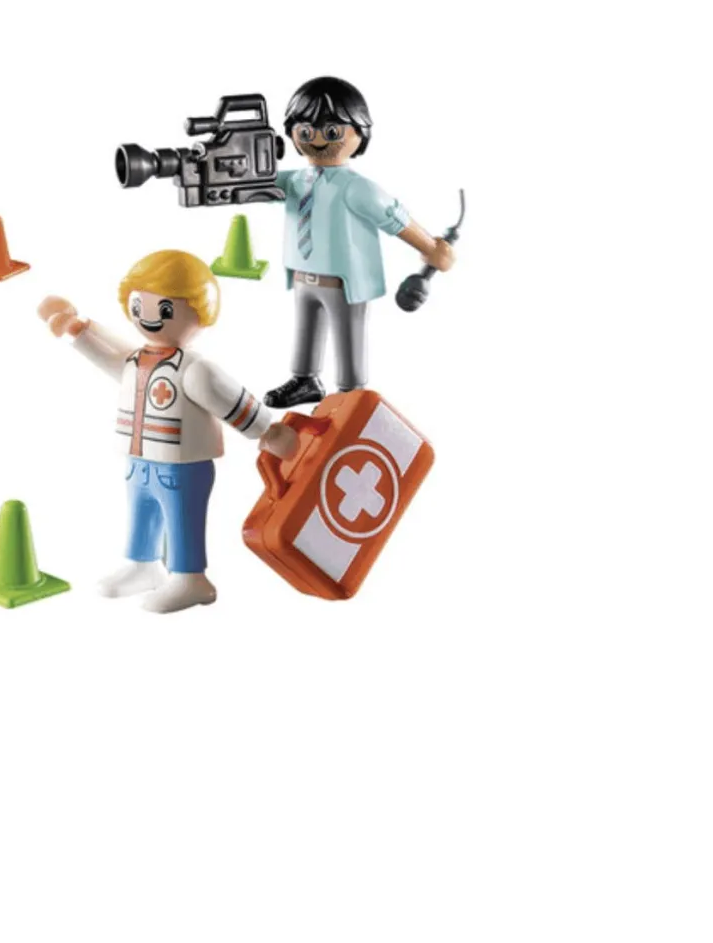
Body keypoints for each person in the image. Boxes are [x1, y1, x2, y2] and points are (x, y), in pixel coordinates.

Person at [39, 250, 296, 614]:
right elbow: (112, 359)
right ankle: (143, 565)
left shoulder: (194, 369)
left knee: (182, 520)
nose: (147, 316)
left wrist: (266, 431)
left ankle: (191, 578)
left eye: (164, 308)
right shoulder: (137, 361)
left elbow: (229, 397)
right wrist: (78, 332)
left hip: (183, 466)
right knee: (141, 513)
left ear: (200, 312)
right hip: (139, 460)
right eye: (138, 304)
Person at [266, 76, 455, 407]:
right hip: (302, 275)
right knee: (305, 329)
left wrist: (430, 247)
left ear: (359, 132)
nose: (317, 138)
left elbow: (395, 218)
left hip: (344, 282)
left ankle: (351, 393)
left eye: (332, 131)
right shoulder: (294, 181)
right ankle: (305, 380)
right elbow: (256, 185)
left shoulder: (356, 188)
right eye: (306, 130)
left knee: (348, 335)